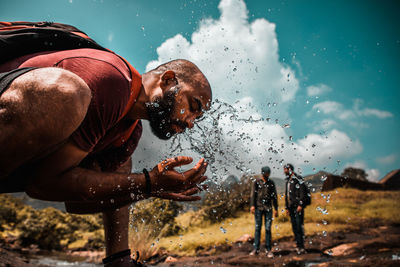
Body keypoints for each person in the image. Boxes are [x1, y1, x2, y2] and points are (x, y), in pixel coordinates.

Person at [0, 47, 212, 266]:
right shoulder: (112, 78)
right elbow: (42, 184)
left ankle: (118, 260)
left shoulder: (130, 133)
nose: (190, 123)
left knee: (122, 164)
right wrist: (148, 182)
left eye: (197, 118)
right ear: (168, 80)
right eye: (192, 106)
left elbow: (75, 203)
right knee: (69, 94)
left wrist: (151, 188)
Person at [249, 166, 278, 258]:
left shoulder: (271, 183)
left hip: (268, 208)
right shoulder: (256, 182)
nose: (267, 175)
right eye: (266, 173)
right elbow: (253, 194)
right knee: (258, 228)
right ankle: (256, 249)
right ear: (263, 173)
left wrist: (276, 208)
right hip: (258, 208)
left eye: (268, 173)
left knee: (268, 228)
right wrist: (252, 206)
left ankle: (268, 249)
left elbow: (274, 196)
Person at [284, 163, 307, 254]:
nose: (284, 171)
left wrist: (300, 204)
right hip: (291, 208)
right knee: (294, 227)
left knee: (299, 226)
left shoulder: (298, 178)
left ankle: (301, 247)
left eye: (285, 169)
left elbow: (302, 192)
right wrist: (286, 207)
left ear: (290, 169)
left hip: (298, 207)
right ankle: (298, 245)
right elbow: (287, 195)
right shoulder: (287, 181)